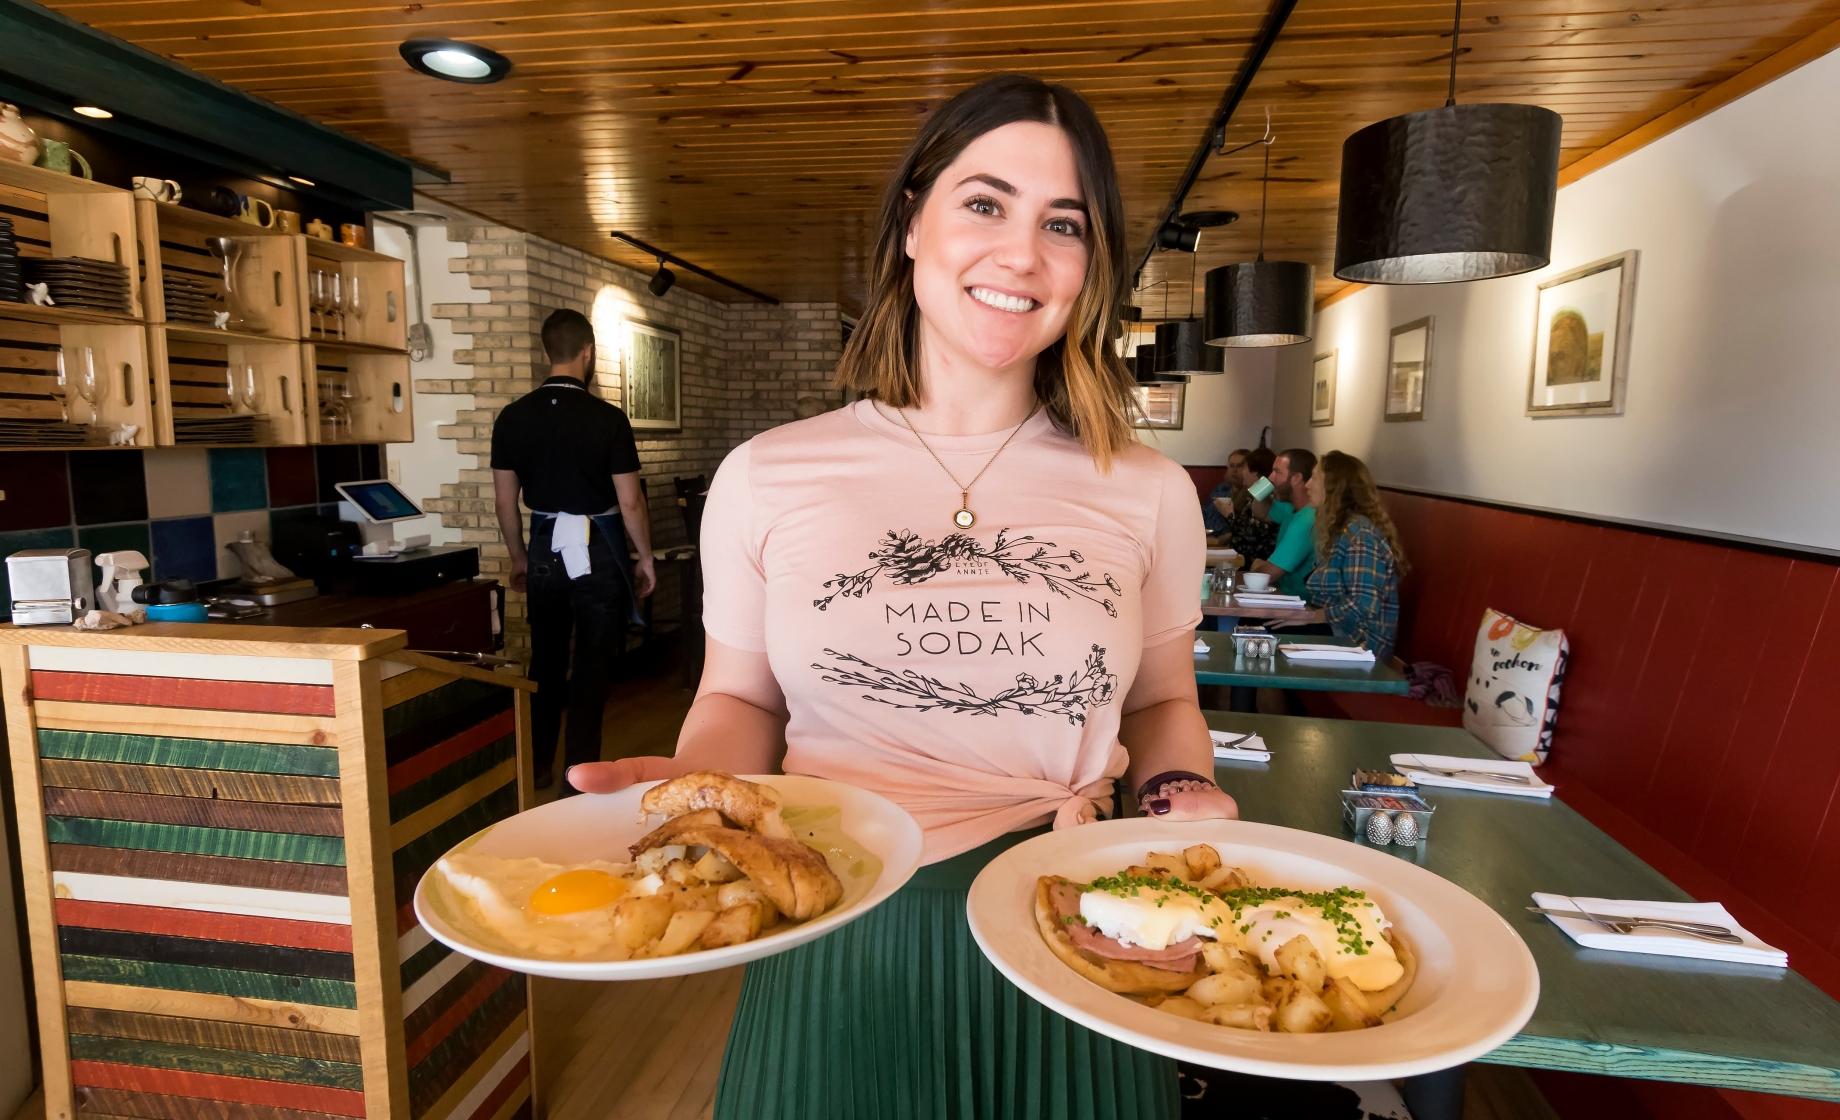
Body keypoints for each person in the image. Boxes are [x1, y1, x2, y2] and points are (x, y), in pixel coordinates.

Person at [571, 73, 1237, 1120]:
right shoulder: (765, 473)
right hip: (840, 917)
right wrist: (703, 792)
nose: (1021, 252)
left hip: (1076, 919)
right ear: (912, 225)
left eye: (1062, 223)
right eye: (984, 203)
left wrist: (1178, 799)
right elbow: (742, 697)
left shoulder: (1148, 489)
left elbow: (1161, 702)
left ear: (1090, 265)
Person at [491, 308, 657, 789]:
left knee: (544, 658)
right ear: (588, 352)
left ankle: (538, 765)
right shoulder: (607, 419)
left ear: (548, 352)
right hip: (599, 550)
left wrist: (520, 557)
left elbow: (505, 501)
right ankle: (578, 775)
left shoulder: (513, 417)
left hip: (545, 545)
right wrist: (644, 557)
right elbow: (630, 501)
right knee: (591, 663)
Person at [1306, 450, 1407, 657]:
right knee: (1262, 635)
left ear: (1334, 487)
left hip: (1361, 645)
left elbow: (1363, 604)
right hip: (1341, 632)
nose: (1307, 485)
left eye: (1314, 477)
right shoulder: (1342, 529)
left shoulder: (1359, 534)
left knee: (1269, 640)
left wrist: (1315, 616)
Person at [1250, 448, 1318, 597]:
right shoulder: (1291, 508)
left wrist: (1256, 567)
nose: (1270, 477)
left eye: (1277, 472)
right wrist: (1265, 486)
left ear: (1296, 478)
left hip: (1299, 606)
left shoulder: (1307, 519)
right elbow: (1259, 512)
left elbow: (1269, 575)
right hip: (1281, 595)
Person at [1217, 445, 1278, 561]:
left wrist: (1229, 516)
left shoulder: (1267, 493)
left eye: (1243, 468)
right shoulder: (1257, 492)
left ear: (1254, 472)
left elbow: (1248, 539)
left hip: (1255, 563)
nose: (1241, 473)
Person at [1201, 446, 1248, 537]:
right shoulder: (1221, 488)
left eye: (1239, 466)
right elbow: (1205, 512)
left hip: (1229, 542)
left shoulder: (1250, 495)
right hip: (1207, 537)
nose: (1234, 470)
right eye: (1231, 466)